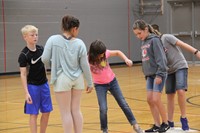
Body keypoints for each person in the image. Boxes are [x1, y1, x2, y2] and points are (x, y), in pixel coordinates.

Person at [41, 15, 93, 133]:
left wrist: (53, 65)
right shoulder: (80, 43)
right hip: (78, 79)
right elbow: (85, 65)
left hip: (62, 79)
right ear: (74, 28)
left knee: (65, 113)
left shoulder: (52, 40)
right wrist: (90, 83)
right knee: (76, 110)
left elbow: (44, 59)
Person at [88, 40, 144, 133]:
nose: (102, 56)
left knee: (123, 104)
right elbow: (82, 68)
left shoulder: (105, 53)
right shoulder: (88, 59)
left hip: (112, 82)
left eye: (103, 54)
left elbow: (118, 52)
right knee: (103, 108)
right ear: (94, 53)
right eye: (100, 54)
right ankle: (104, 130)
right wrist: (89, 83)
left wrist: (126, 59)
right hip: (99, 86)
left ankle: (135, 125)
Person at [151, 24, 200, 131]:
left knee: (181, 91)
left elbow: (182, 44)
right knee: (170, 95)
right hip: (168, 71)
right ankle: (170, 120)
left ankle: (183, 118)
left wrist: (196, 52)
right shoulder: (153, 45)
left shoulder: (166, 37)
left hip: (180, 66)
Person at [132, 20, 170, 132]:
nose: (138, 36)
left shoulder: (154, 40)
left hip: (159, 74)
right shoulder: (143, 42)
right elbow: (146, 60)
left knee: (156, 99)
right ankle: (157, 125)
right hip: (149, 75)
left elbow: (161, 59)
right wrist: (146, 73)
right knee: (149, 99)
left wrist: (159, 74)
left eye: (139, 33)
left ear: (146, 30)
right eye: (136, 34)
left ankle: (166, 123)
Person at [18, 25, 53, 133]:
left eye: (36, 34)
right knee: (34, 114)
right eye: (32, 35)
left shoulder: (41, 49)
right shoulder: (24, 55)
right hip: (32, 87)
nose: (35, 37)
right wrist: (26, 92)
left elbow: (45, 65)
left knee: (47, 112)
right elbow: (23, 74)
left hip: (44, 85)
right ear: (25, 37)